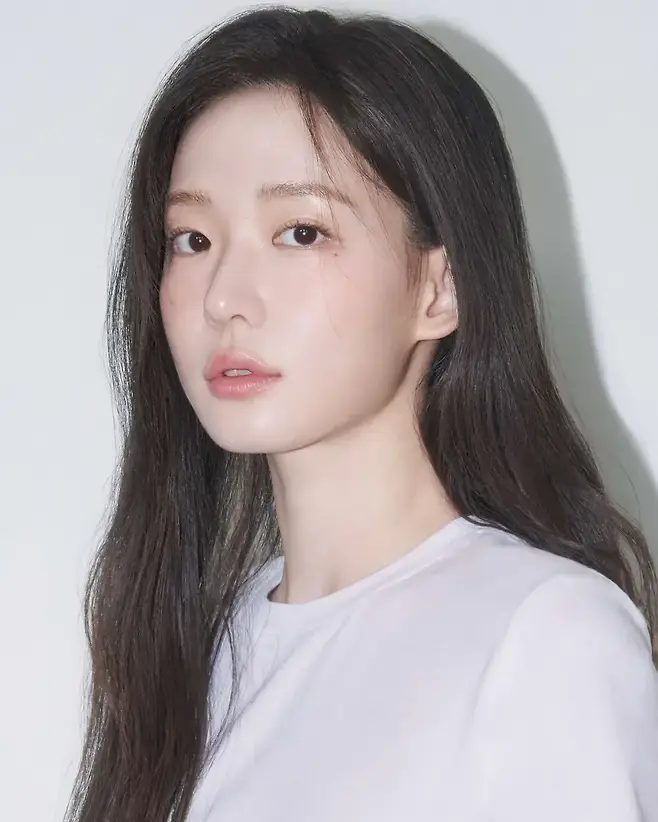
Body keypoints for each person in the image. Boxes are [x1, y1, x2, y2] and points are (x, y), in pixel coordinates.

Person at [64, 6, 658, 822]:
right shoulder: (193, 650)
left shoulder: (543, 637)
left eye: (301, 233)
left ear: (440, 288)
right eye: (192, 239)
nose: (225, 297)